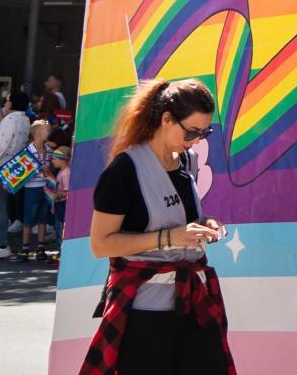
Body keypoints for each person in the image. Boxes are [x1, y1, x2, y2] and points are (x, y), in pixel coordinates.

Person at [86, 79, 233, 374]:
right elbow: (100, 244)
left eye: (204, 133)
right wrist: (170, 238)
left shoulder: (187, 162)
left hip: (191, 301)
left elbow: (180, 221)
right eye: (191, 132)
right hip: (145, 310)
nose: (195, 141)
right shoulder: (124, 170)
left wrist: (204, 225)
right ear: (166, 119)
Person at [0, 89, 31, 260]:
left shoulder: (10, 119)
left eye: (7, 100)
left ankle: (2, 244)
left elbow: (2, 144)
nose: (5, 103)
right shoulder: (24, 119)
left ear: (12, 103)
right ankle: (3, 244)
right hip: (12, 165)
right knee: (4, 205)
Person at [17, 119, 56, 261]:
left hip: (45, 187)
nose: (49, 132)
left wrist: (49, 168)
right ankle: (25, 248)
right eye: (47, 130)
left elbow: (51, 165)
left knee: (42, 218)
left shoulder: (48, 150)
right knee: (28, 218)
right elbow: (22, 170)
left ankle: (41, 247)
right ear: (38, 132)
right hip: (32, 188)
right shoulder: (28, 151)